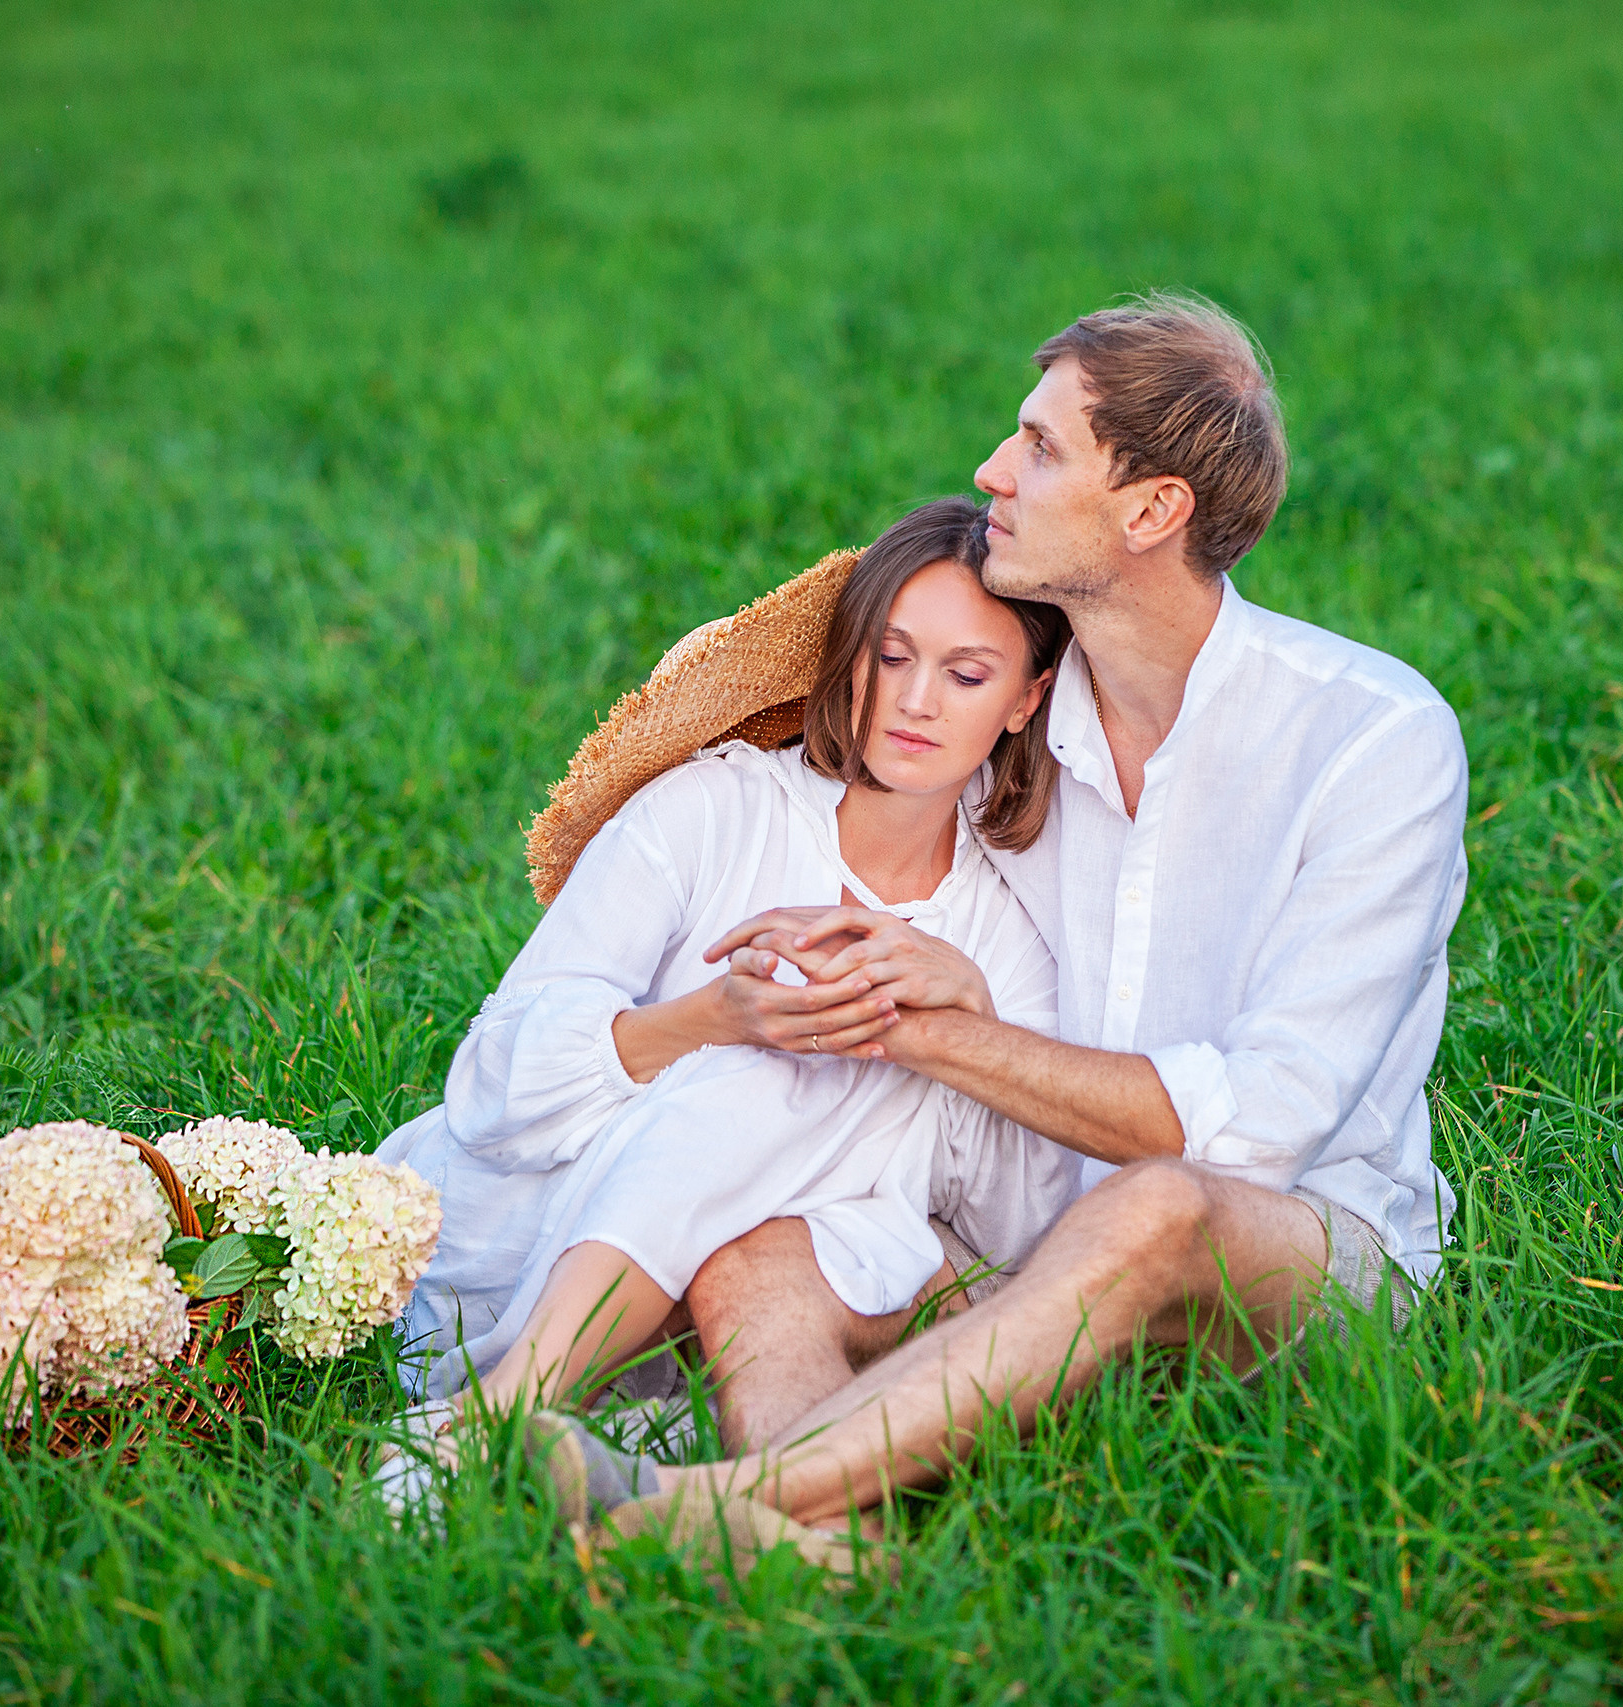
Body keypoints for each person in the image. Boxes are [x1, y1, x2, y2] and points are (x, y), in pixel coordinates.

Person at [578, 294, 1470, 1564]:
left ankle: (720, 1507)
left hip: (1290, 1267)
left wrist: (935, 1032)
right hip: (1022, 1254)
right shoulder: (1006, 730)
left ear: (1150, 511)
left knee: (1160, 1205)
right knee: (762, 1252)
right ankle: (823, 1553)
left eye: (1042, 448)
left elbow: (1263, 1131)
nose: (993, 471)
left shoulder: (1369, 740)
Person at [372, 498, 1083, 1496]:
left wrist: (960, 1023)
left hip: (738, 1300)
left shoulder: (1000, 930)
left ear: (1023, 698)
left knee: (830, 1078)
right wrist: (711, 1020)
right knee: (764, 1072)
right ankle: (499, 1407)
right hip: (518, 1240)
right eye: (890, 657)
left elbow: (1020, 1220)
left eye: (966, 675)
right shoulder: (712, 809)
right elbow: (492, 1087)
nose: (917, 700)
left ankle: (644, 1454)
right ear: (848, 662)